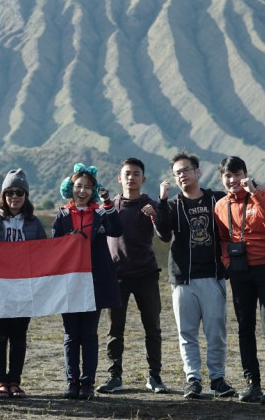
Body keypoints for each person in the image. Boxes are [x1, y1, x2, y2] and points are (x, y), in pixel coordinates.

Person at [154, 152, 236, 399]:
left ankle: (218, 379)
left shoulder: (216, 199)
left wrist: (257, 192)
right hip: (183, 279)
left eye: (186, 170)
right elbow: (164, 235)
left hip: (213, 277)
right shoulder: (172, 205)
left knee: (216, 332)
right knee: (186, 333)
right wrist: (160, 202)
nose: (182, 175)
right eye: (177, 172)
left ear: (197, 172)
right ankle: (193, 379)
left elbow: (240, 208)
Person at [214, 156, 265, 405]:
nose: (232, 180)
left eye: (237, 174)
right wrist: (227, 263)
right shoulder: (221, 205)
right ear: (222, 178)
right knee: (245, 328)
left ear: (245, 174)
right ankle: (252, 384)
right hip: (240, 271)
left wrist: (255, 193)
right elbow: (222, 238)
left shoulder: (262, 194)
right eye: (227, 176)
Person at [98, 158, 170, 395]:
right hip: (116, 277)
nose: (131, 177)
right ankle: (114, 376)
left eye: (136, 173)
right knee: (114, 330)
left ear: (143, 179)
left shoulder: (151, 204)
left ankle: (155, 376)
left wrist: (155, 216)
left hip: (146, 275)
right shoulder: (109, 207)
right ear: (120, 178)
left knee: (153, 328)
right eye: (127, 173)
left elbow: (164, 236)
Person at [52, 164, 124, 400]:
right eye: (78, 186)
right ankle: (72, 381)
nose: (82, 190)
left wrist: (108, 203)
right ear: (70, 188)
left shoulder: (101, 214)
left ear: (93, 190)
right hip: (69, 283)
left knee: (89, 335)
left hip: (94, 281)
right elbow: (53, 246)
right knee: (71, 335)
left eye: (87, 187)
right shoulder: (62, 215)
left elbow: (116, 229)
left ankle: (88, 382)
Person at [0, 168, 47, 398]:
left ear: (26, 195)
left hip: (24, 287)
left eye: (19, 192)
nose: (14, 197)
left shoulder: (34, 223)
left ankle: (15, 381)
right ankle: (0, 383)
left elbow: (44, 251)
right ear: (3, 195)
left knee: (19, 335)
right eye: (9, 192)